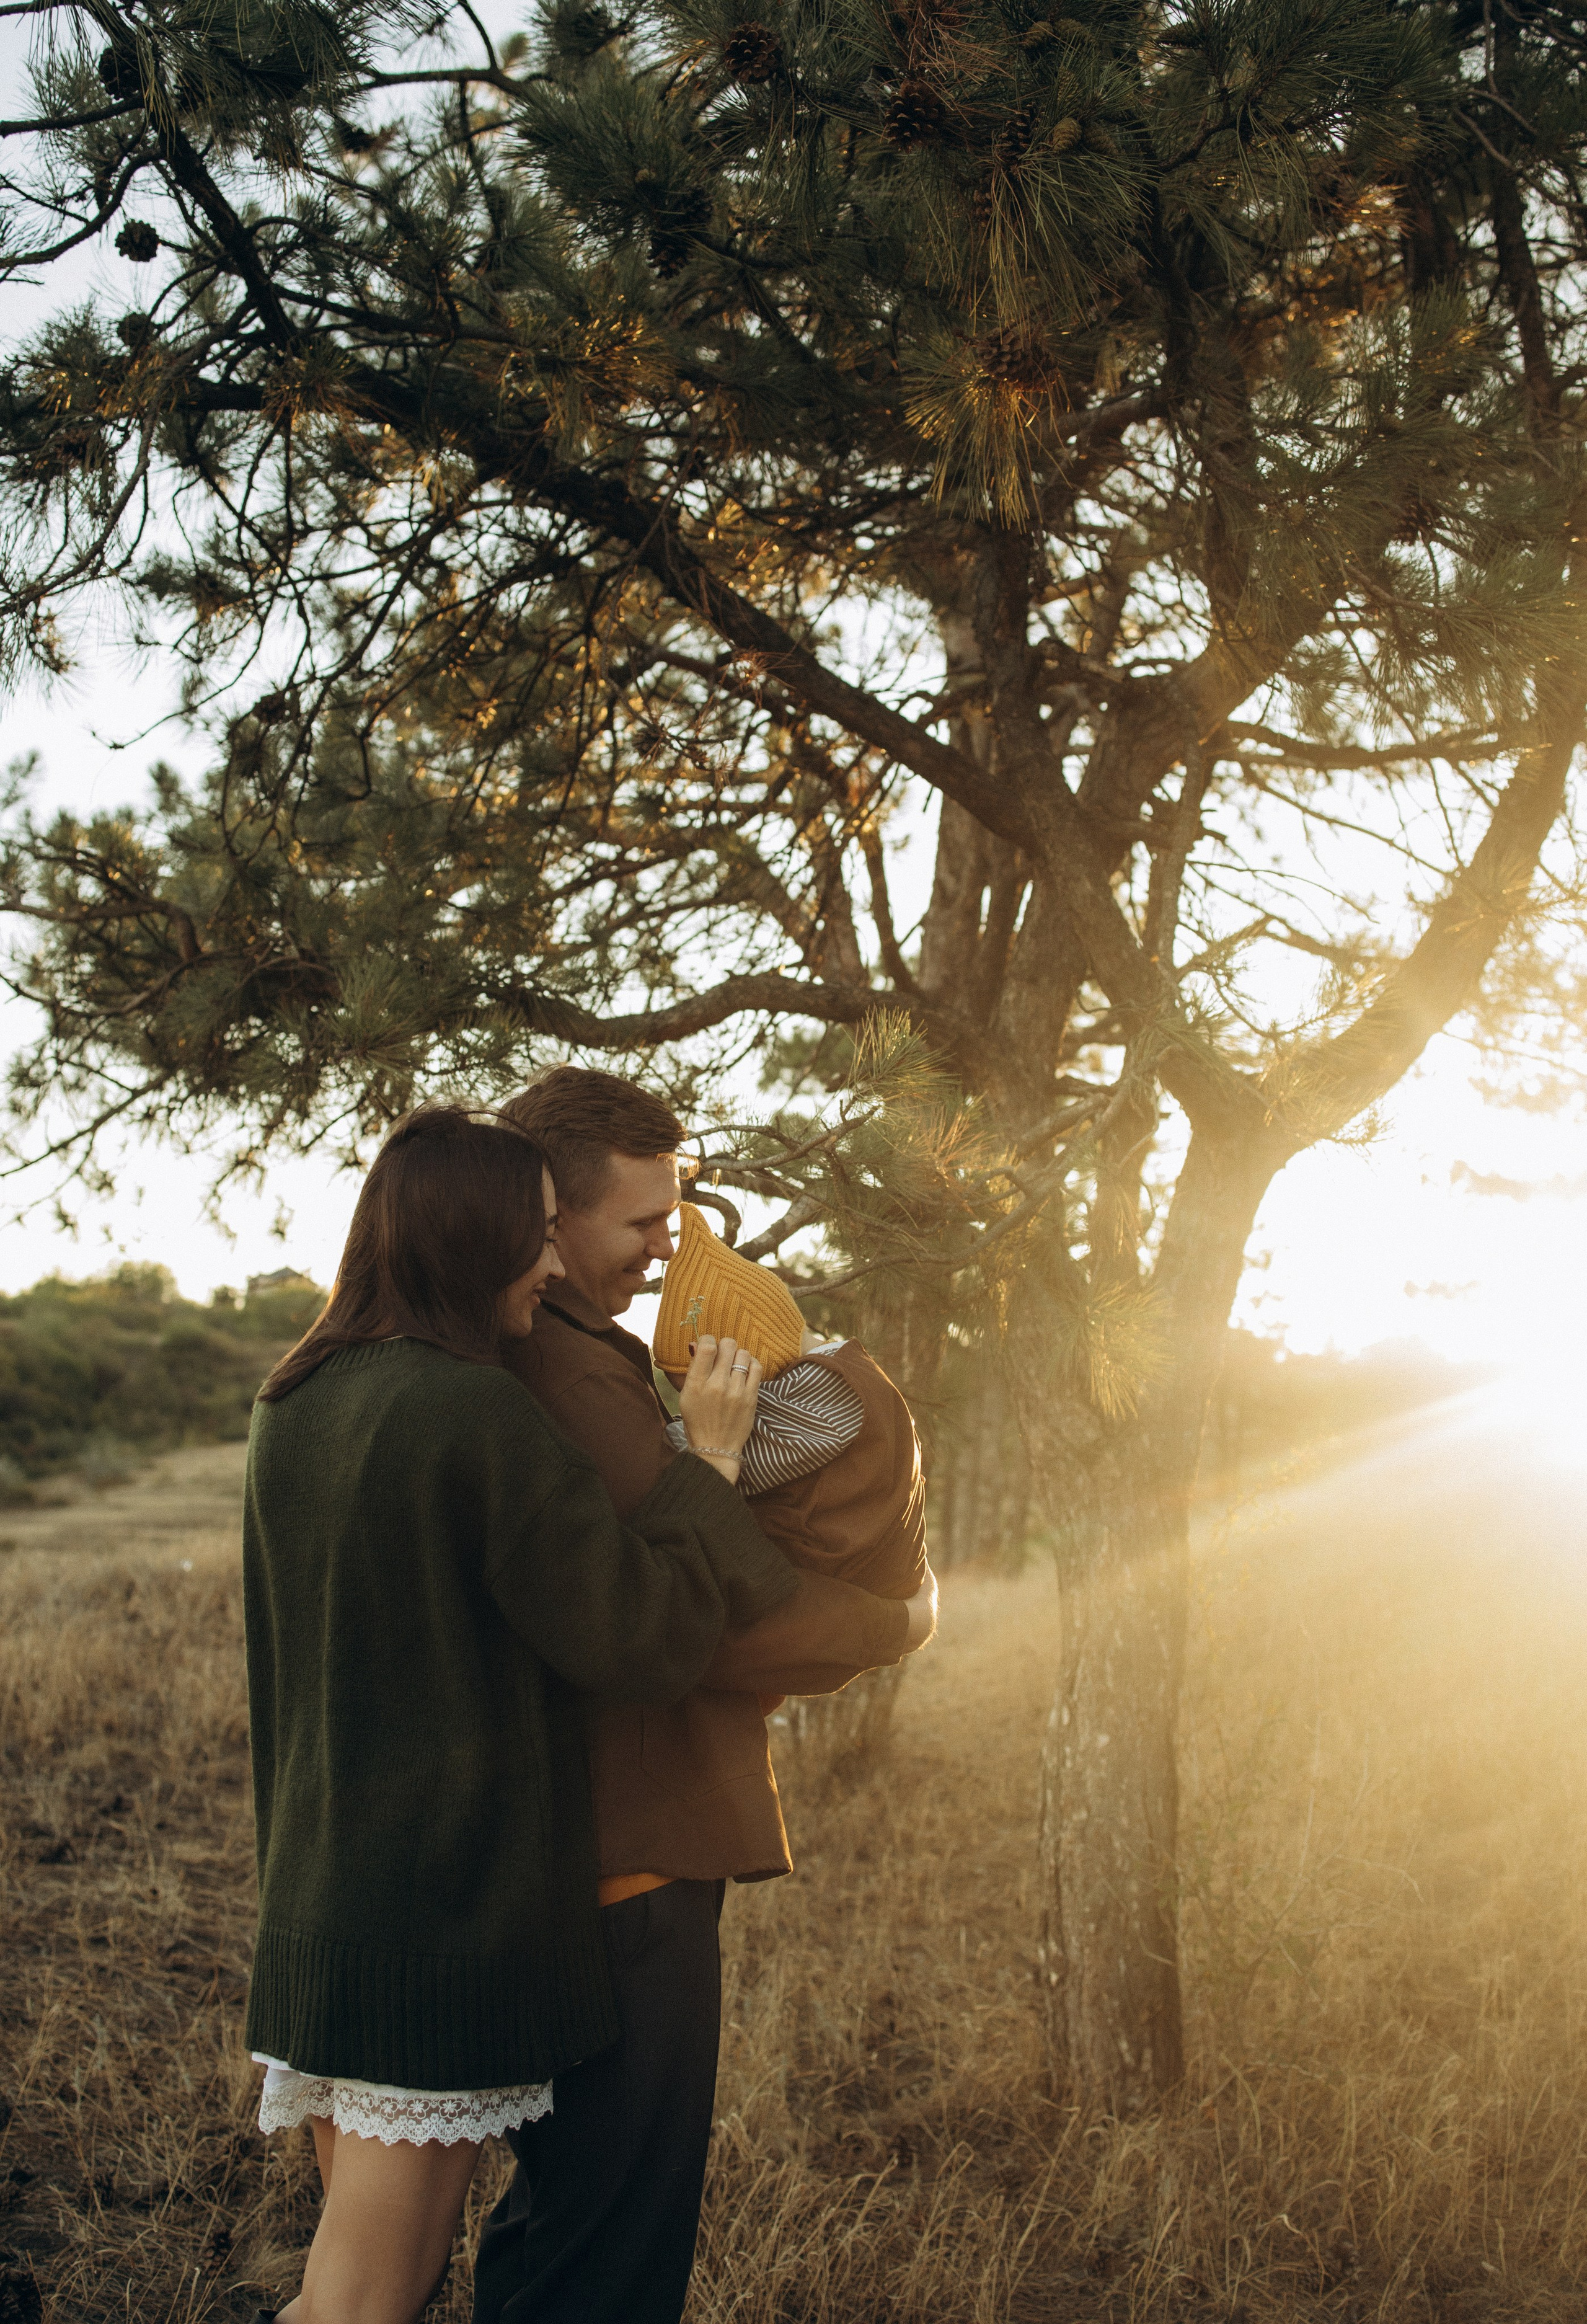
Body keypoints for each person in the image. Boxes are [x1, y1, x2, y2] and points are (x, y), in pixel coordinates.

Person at [241, 1106, 801, 2324]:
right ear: (466, 1237)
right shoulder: (473, 1414)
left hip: (317, 1912)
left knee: (346, 2287)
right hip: (429, 1935)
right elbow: (639, 1637)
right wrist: (707, 1462)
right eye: (533, 1237)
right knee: (359, 2302)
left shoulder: (293, 1404)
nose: (549, 1266)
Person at [472, 1067, 937, 2324]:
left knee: (562, 2215)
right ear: (549, 1214)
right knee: (610, 2244)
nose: (659, 1250)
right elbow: (693, 1611)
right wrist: (892, 1619)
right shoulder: (576, 1379)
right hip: (632, 1843)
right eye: (639, 1224)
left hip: (585, 1838)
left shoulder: (555, 1353)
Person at [653, 1200, 927, 1602]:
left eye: (701, 1387)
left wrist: (658, 1433)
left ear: (747, 1361)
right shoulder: (837, 1375)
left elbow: (726, 1462)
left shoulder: (829, 1393)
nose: (695, 1403)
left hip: (856, 1588)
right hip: (865, 1592)